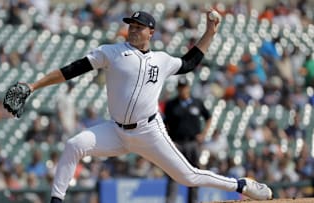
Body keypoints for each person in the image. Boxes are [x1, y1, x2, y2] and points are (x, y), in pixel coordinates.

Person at [14, 10, 272, 202]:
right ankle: (56, 200)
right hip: (116, 131)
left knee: (188, 177)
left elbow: (190, 63)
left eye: (140, 27)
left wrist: (209, 33)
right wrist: (34, 86)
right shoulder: (111, 52)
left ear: (151, 32)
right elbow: (72, 70)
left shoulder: (162, 60)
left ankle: (241, 185)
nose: (134, 30)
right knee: (74, 145)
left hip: (149, 131)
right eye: (131, 26)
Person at [164, 76, 212, 202]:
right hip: (176, 143)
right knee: (173, 173)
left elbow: (208, 117)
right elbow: (165, 124)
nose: (182, 90)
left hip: (193, 142)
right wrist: (168, 139)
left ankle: (193, 201)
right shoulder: (171, 105)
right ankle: (170, 201)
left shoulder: (197, 102)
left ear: (188, 88)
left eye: (184, 87)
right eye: (180, 87)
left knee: (194, 173)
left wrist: (204, 134)